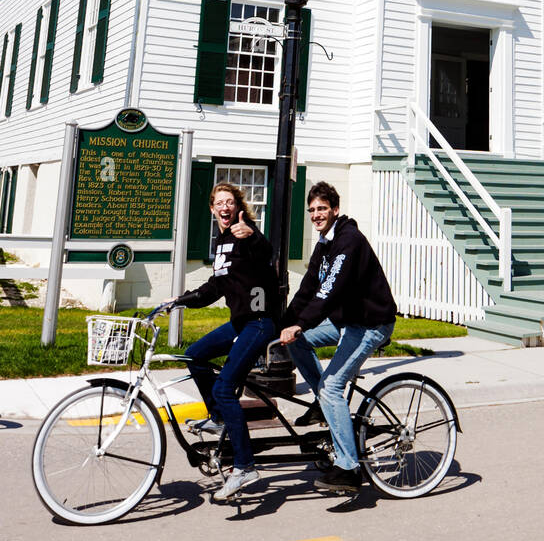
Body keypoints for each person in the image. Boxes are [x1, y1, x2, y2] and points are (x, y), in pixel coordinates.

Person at [160, 181, 278, 502]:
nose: (224, 206)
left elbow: (265, 253)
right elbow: (214, 288)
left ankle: (244, 466)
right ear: (212, 209)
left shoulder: (245, 233)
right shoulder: (222, 241)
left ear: (236, 206)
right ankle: (219, 418)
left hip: (259, 322)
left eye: (230, 201)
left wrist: (252, 234)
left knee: (225, 387)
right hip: (240, 322)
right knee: (194, 355)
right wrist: (180, 299)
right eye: (219, 202)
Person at [279, 182, 397, 495]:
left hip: (371, 324)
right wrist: (285, 325)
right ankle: (323, 402)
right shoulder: (324, 243)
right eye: (312, 210)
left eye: (321, 208)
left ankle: (348, 467)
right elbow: (307, 289)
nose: (316, 215)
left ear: (334, 209)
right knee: (298, 343)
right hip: (347, 321)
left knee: (332, 386)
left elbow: (329, 292)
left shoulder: (349, 240)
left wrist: (301, 322)